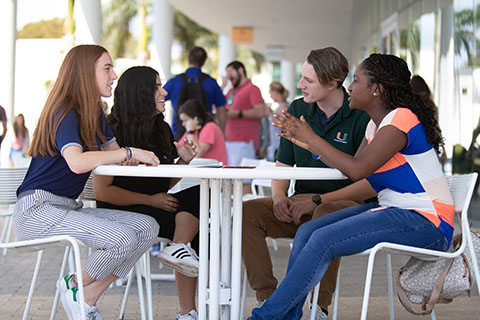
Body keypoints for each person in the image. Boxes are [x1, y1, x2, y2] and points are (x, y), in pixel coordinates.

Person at [248, 53, 453, 320]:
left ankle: (265, 317)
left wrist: (310, 137)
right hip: (395, 209)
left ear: (377, 89)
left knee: (323, 240)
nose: (351, 87)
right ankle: (287, 315)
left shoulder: (401, 119)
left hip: (428, 221)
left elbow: (357, 169)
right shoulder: (375, 126)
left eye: (356, 80)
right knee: (309, 231)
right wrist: (310, 154)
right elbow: (361, 176)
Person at [13, 45, 161, 320]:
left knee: (147, 227)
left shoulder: (95, 115)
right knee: (122, 239)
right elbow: (78, 162)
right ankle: (72, 285)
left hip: (67, 207)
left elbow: (114, 157)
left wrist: (129, 154)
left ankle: (86, 296)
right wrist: (128, 153)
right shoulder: (65, 111)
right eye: (107, 68)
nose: (114, 75)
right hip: (36, 211)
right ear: (85, 72)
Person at [242, 47, 370, 320]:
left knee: (325, 219)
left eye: (308, 80)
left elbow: (363, 176)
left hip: (344, 203)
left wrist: (315, 202)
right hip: (301, 200)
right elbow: (283, 166)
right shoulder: (298, 108)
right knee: (246, 213)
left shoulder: (360, 115)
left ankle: (318, 308)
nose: (300, 85)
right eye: (302, 78)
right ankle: (272, 299)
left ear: (333, 83)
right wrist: (278, 197)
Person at [93, 66, 201, 320]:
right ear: (140, 92)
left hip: (155, 206)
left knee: (199, 195)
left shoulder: (161, 129)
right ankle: (188, 308)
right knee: (198, 226)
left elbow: (163, 183)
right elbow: (102, 192)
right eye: (157, 87)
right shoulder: (112, 131)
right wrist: (149, 199)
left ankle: (180, 250)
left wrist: (183, 162)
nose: (164, 92)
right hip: (120, 211)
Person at [164, 46, 227, 139]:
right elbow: (221, 110)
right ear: (204, 62)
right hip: (204, 136)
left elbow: (156, 100)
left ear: (188, 59)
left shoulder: (174, 82)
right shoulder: (211, 83)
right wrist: (222, 133)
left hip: (179, 134)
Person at [224, 61, 266, 193]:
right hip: (229, 141)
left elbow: (260, 111)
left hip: (244, 142)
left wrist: (237, 113)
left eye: (231, 72)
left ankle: (245, 211)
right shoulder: (230, 91)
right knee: (228, 181)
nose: (229, 76)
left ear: (241, 70)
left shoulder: (252, 89)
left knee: (244, 181)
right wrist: (223, 85)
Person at [177, 99, 228, 165]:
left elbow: (196, 154)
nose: (183, 124)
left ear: (197, 119)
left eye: (186, 120)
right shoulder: (193, 131)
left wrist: (190, 132)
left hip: (215, 171)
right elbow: (179, 149)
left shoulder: (210, 127)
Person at [410, 75, 446, 164]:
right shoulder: (431, 106)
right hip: (429, 146)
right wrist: (442, 147)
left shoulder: (409, 108)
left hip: (414, 147)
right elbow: (436, 128)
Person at [266, 81, 290, 161]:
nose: (270, 96)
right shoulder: (281, 106)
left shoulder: (284, 107)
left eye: (270, 92)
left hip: (281, 146)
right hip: (277, 145)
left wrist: (270, 114)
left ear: (275, 92)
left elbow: (285, 125)